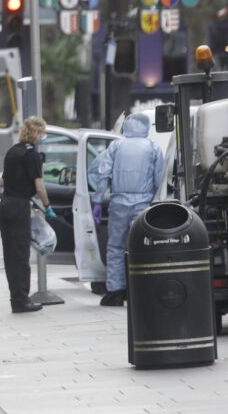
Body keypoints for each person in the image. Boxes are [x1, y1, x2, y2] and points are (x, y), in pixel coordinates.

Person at [89, 111, 166, 307]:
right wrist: (157, 200)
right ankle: (142, 290)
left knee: (115, 247)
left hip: (119, 202)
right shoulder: (152, 147)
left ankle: (115, 291)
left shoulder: (116, 145)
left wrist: (97, 201)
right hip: (143, 203)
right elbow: (160, 179)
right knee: (142, 246)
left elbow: (102, 172)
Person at [0, 115, 56, 313]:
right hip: (19, 207)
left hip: (5, 205)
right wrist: (47, 205)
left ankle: (16, 297)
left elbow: (4, 181)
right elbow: (39, 185)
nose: (44, 136)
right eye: (43, 133)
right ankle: (21, 301)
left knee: (10, 255)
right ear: (37, 132)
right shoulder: (32, 155)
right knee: (21, 254)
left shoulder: (13, 151)